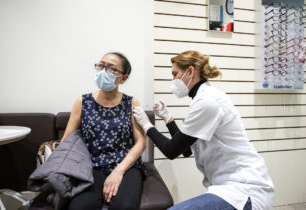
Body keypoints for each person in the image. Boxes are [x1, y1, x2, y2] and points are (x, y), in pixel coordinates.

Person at [134, 50, 274, 210]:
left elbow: (171, 151)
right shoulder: (202, 99)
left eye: (175, 74)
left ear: (190, 71)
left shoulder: (207, 102)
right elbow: (186, 150)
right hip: (227, 186)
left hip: (243, 188)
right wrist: (168, 119)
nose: (173, 80)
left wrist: (147, 125)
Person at [61, 52, 146, 210]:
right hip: (91, 166)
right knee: (79, 207)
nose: (103, 71)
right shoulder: (82, 102)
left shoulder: (132, 103)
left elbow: (141, 142)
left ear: (123, 78)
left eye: (111, 69)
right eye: (101, 65)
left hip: (126, 165)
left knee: (126, 206)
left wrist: (118, 171)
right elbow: (67, 139)